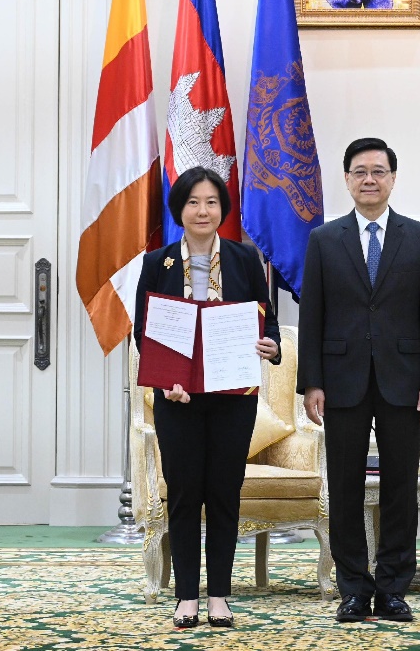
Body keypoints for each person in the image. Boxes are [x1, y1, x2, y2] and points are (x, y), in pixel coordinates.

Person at [297, 137, 420, 623]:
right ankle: (354, 590)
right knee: (343, 487)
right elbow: (313, 316)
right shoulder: (324, 240)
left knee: (401, 487)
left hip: (404, 382)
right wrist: (311, 382)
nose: (369, 179)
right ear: (346, 179)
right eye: (360, 171)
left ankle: (393, 589)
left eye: (378, 171)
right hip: (340, 382)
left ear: (392, 178)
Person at [133, 167, 282, 630]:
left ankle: (218, 595)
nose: (203, 210)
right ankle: (186, 599)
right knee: (183, 495)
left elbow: (268, 323)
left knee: (222, 495)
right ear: (179, 209)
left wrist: (270, 346)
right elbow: (145, 333)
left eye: (212, 201)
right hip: (178, 401)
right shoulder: (156, 263)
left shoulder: (244, 259)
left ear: (223, 208)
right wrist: (165, 379)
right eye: (194, 202)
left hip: (232, 398)